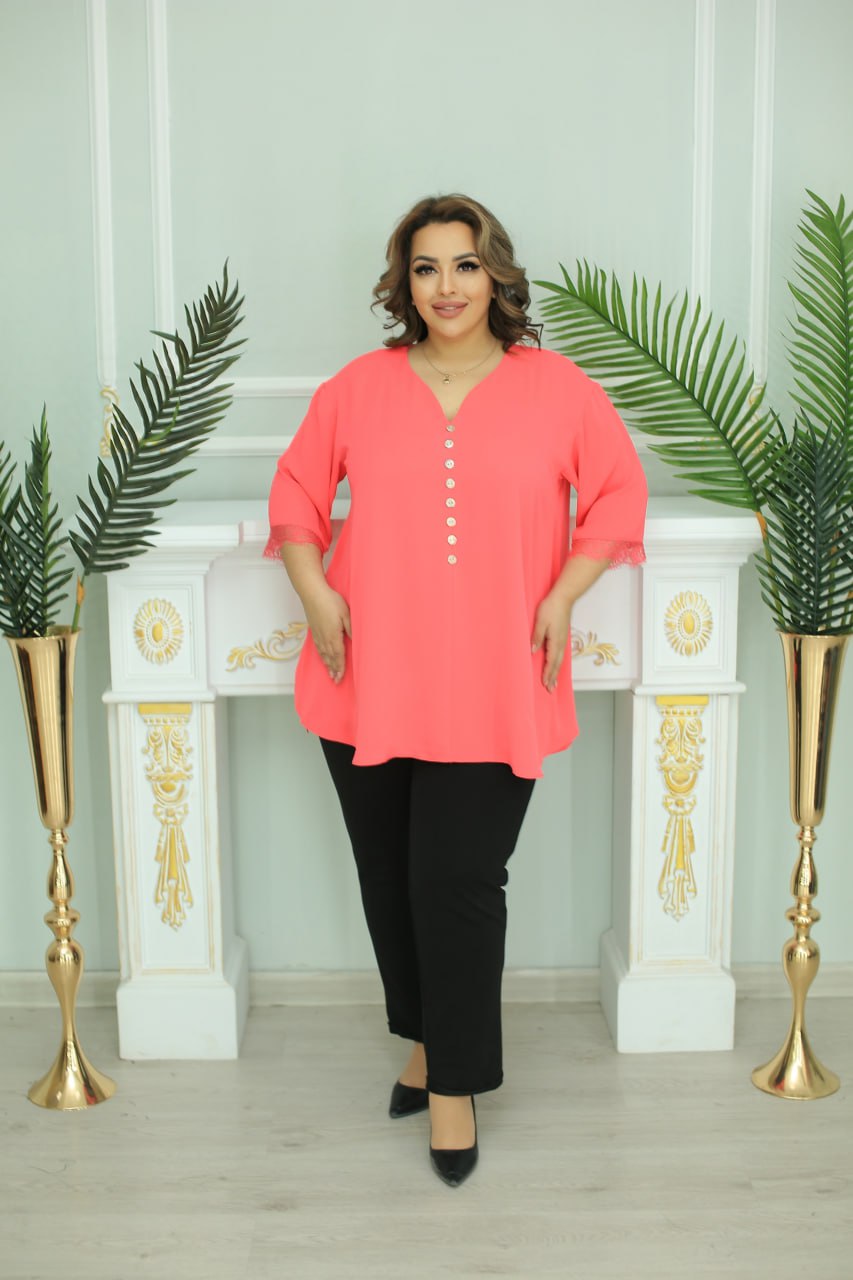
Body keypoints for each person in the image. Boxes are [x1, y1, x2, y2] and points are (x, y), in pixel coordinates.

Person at [265, 193, 647, 1188]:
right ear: (405, 282)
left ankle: (454, 1087)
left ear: (496, 276)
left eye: (465, 265)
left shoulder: (558, 390)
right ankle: (427, 1041)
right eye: (426, 267)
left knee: (457, 879)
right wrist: (314, 592)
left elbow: (617, 493)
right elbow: (297, 494)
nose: (446, 286)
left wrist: (563, 592)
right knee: (389, 875)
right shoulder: (357, 387)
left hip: (495, 678)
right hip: (369, 674)